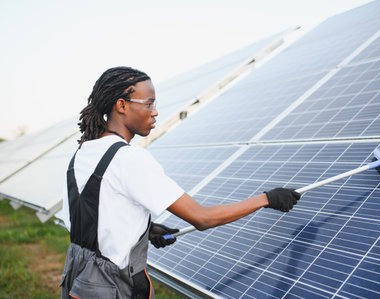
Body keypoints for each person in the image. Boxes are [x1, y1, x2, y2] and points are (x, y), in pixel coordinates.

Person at [60, 66, 300, 299]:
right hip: (112, 288)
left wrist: (142, 229)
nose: (155, 112)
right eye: (149, 103)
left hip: (78, 282)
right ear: (121, 105)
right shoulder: (128, 158)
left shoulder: (81, 154)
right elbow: (202, 218)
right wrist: (266, 199)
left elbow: (85, 219)